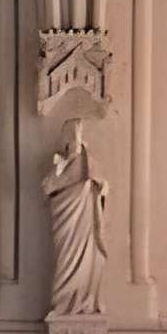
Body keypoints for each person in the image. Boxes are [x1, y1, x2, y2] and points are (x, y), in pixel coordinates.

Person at [42, 116, 108, 316]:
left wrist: (96, 186)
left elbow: (102, 185)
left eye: (78, 135)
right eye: (72, 135)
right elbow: (48, 186)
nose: (75, 140)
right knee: (66, 259)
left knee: (89, 260)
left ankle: (83, 301)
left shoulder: (88, 162)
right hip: (66, 223)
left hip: (85, 225)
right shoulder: (60, 164)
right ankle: (65, 303)